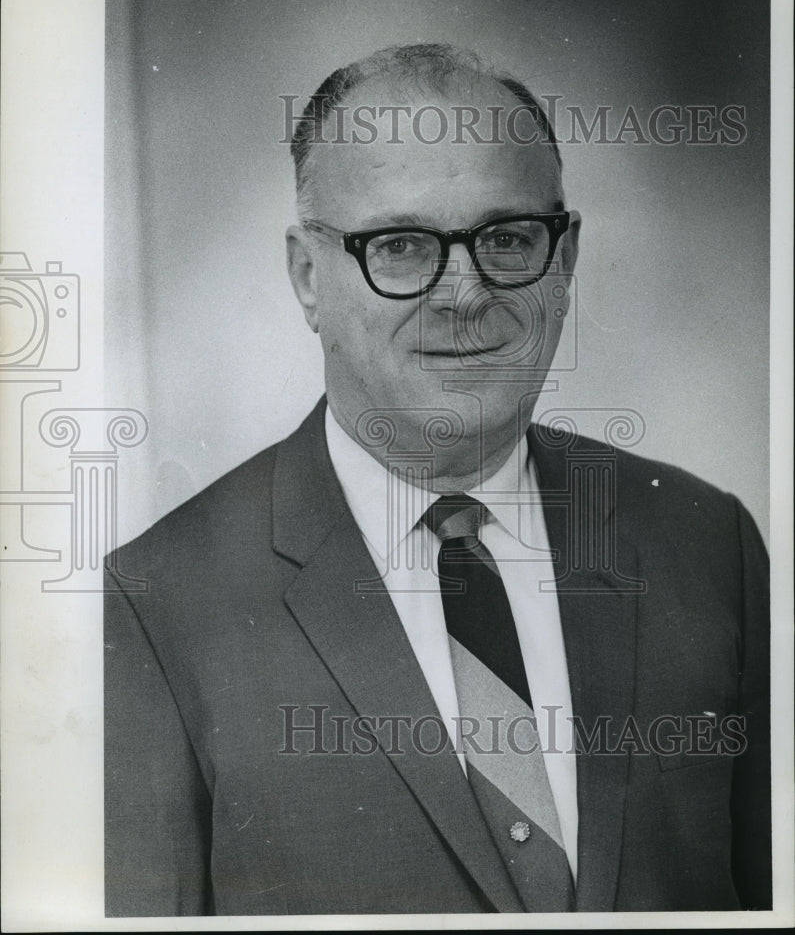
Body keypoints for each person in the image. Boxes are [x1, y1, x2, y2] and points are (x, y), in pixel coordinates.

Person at [104, 44, 771, 916]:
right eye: (402, 246)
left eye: (504, 238)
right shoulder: (159, 606)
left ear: (564, 261)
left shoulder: (703, 540)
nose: (463, 293)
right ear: (308, 277)